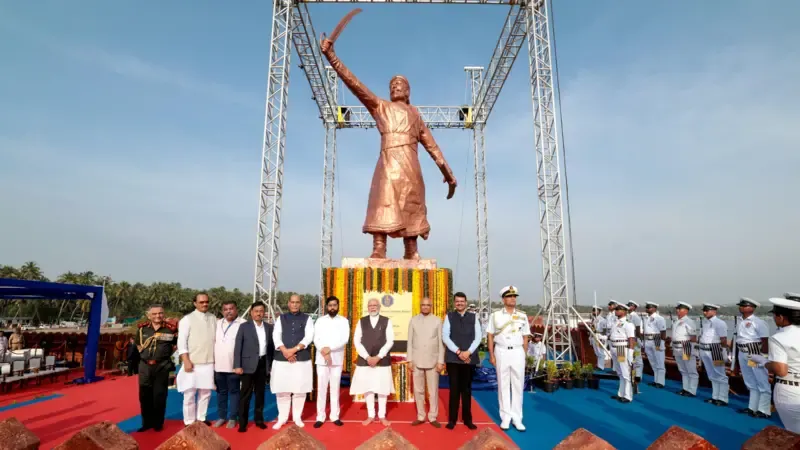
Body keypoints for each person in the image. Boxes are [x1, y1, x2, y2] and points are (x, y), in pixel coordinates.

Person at [320, 36, 457, 260]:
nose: (395, 86)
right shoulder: (381, 107)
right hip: (388, 161)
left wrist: (448, 174)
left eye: (400, 84)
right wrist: (331, 57)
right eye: (392, 85)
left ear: (408, 92)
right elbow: (355, 85)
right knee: (382, 202)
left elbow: (433, 147)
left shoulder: (416, 116)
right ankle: (378, 247)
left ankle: (411, 250)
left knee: (412, 204)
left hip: (411, 166)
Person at [749, 293, 800, 433]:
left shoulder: (779, 338)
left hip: (790, 390)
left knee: (794, 433)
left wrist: (764, 361)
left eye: (775, 315)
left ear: (781, 317)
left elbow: (780, 369)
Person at [486, 285, 530, 431]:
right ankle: (505, 417)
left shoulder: (523, 316)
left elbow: (525, 336)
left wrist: (523, 353)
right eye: (509, 296)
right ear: (503, 299)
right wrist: (491, 355)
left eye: (514, 296)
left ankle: (517, 418)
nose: (513, 299)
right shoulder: (496, 315)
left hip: (517, 351)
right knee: (503, 384)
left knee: (518, 385)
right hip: (502, 351)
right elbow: (490, 335)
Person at [271, 294, 315, 429]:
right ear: (288, 303)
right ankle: (282, 418)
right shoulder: (281, 318)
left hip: (301, 358)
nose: (295, 305)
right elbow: (276, 335)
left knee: (299, 390)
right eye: (292, 302)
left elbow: (309, 337)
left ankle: (297, 417)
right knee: (282, 390)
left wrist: (293, 350)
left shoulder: (307, 319)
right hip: (282, 358)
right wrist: (285, 351)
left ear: (300, 304)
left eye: (297, 302)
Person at [350, 298, 395, 426]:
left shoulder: (387, 321)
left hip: (382, 360)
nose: (373, 307)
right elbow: (356, 341)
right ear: (367, 307)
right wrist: (367, 357)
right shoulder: (361, 321)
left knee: (382, 388)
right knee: (368, 388)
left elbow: (390, 341)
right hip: (366, 361)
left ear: (379, 307)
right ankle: (370, 415)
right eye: (370, 305)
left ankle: (381, 415)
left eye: (375, 305)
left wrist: (378, 357)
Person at [177, 292, 217, 426]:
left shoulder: (213, 318)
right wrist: (185, 359)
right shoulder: (187, 319)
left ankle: (201, 418)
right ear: (195, 303)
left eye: (206, 302)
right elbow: (181, 341)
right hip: (192, 362)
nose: (204, 304)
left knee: (205, 393)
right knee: (189, 394)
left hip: (209, 362)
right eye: (201, 302)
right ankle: (188, 421)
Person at [136, 304, 177, 433]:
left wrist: (162, 356)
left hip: (162, 365)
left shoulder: (170, 330)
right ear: (149, 315)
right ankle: (146, 423)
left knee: (159, 395)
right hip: (145, 366)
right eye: (154, 314)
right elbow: (138, 345)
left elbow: (175, 346)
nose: (158, 316)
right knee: (144, 395)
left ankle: (158, 423)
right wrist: (146, 357)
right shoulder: (142, 330)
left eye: (160, 313)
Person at [234, 301, 273, 432]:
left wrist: (270, 365)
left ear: (264, 312)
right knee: (245, 395)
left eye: (261, 311)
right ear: (251, 312)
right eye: (256, 311)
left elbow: (271, 348)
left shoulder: (269, 327)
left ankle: (259, 420)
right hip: (247, 366)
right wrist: (237, 365)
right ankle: (243, 423)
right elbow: (238, 347)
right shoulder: (244, 327)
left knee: (260, 394)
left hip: (262, 365)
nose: (258, 313)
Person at [313, 296, 351, 428]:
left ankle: (335, 416)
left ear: (338, 306)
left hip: (336, 359)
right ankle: (320, 416)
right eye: (330, 305)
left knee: (335, 389)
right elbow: (316, 338)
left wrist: (330, 348)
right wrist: (323, 350)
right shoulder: (320, 321)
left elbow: (344, 339)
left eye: (335, 305)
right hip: (322, 358)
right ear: (326, 307)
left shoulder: (344, 321)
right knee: (322, 389)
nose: (332, 307)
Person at [408, 296, 445, 428]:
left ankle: (433, 416)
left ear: (431, 306)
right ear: (420, 306)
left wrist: (441, 361)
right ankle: (421, 415)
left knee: (433, 390)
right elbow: (410, 342)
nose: (425, 307)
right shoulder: (413, 320)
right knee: (418, 390)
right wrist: (410, 360)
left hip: (433, 361)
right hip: (416, 361)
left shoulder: (437, 321)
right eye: (423, 305)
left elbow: (441, 343)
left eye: (428, 305)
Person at [733, 297, 771, 418]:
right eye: (741, 306)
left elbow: (765, 340)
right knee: (750, 381)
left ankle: (764, 410)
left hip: (754, 352)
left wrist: (764, 358)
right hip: (743, 352)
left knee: (761, 380)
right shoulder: (740, 321)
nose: (741, 308)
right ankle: (752, 407)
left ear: (752, 308)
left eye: (744, 306)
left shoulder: (758, 322)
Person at [213, 300, 245, 429]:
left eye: (231, 308)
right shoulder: (217, 323)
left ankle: (233, 417)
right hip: (218, 366)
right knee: (221, 393)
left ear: (236, 309)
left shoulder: (243, 324)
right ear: (222, 311)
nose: (228, 311)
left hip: (234, 366)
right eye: (225, 309)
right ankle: (222, 416)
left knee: (234, 392)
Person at [698, 303, 729, 406]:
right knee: (711, 375)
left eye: (707, 310)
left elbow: (723, 340)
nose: (704, 312)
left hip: (716, 349)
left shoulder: (720, 323)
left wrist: (723, 352)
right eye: (704, 310)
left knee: (720, 374)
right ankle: (715, 396)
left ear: (714, 311)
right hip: (704, 349)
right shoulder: (706, 323)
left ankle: (723, 398)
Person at [609, 303, 636, 403]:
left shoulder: (628, 324)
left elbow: (631, 339)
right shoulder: (615, 323)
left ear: (624, 311)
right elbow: (612, 336)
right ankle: (621, 393)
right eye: (616, 309)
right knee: (619, 373)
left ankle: (628, 396)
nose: (616, 311)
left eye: (618, 309)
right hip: (614, 348)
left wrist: (630, 353)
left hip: (621, 348)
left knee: (625, 373)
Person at [671, 302, 699, 397]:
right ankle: (685, 388)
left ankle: (692, 390)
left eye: (680, 309)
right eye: (677, 309)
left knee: (691, 370)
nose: (677, 310)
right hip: (677, 347)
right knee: (683, 370)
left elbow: (693, 338)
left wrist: (692, 350)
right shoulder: (676, 321)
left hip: (686, 347)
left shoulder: (689, 322)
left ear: (686, 311)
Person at [642, 302, 667, 388]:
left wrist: (660, 343)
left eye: (649, 307)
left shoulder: (659, 318)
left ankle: (660, 382)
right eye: (647, 307)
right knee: (653, 362)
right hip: (648, 340)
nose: (647, 309)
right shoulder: (646, 318)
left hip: (657, 339)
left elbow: (663, 333)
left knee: (659, 362)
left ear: (655, 308)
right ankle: (656, 380)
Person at [627, 301, 644, 390]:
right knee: (630, 359)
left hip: (635, 341)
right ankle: (632, 375)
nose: (628, 306)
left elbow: (637, 331)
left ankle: (638, 375)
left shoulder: (635, 317)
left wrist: (638, 341)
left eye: (630, 305)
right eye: (628, 305)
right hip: (629, 340)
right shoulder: (627, 316)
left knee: (637, 359)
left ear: (634, 307)